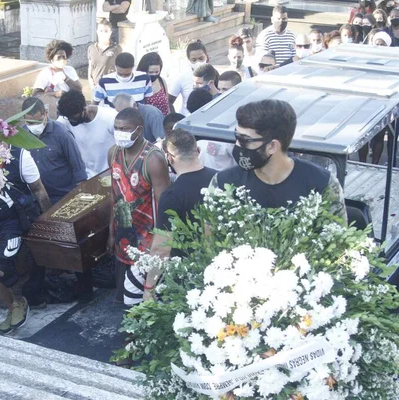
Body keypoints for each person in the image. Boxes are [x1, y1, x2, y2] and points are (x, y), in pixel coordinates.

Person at [209, 99, 347, 221]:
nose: (238, 145)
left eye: (245, 140)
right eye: (236, 137)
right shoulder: (223, 184)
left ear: (273, 146)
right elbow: (211, 242)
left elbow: (337, 241)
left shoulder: (322, 184)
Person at [136, 128, 216, 303]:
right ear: (198, 151)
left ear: (169, 158)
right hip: (221, 269)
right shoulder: (220, 179)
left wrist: (149, 287)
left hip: (188, 277)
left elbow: (161, 248)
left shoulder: (172, 195)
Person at [0, 145, 51, 335]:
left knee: (1, 262)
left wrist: (49, 219)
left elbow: (38, 189)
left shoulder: (20, 155)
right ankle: (11, 308)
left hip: (12, 221)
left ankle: (20, 301)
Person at [107, 107, 170, 302]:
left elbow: (164, 204)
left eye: (125, 129)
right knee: (123, 298)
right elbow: (114, 194)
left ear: (139, 130)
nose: (120, 132)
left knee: (145, 299)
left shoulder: (153, 159)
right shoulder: (113, 153)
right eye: (117, 128)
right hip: (122, 235)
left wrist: (160, 243)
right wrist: (110, 232)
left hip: (146, 240)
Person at [21, 97, 87, 204]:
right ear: (23, 118)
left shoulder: (62, 134)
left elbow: (78, 167)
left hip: (63, 196)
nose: (35, 126)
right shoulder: (20, 136)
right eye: (30, 123)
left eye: (38, 121)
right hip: (35, 199)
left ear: (46, 113)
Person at [57, 90, 117, 177]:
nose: (71, 121)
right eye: (68, 118)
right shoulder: (66, 118)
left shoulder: (109, 118)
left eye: (74, 117)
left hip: (110, 174)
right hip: (86, 176)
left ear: (85, 107)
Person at [168, 41, 209, 115]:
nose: (198, 62)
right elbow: (169, 101)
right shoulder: (181, 77)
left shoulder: (213, 74)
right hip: (188, 120)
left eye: (201, 58)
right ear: (188, 60)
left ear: (206, 56)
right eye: (194, 60)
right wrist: (174, 118)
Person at [88, 19, 123, 92]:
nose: (103, 33)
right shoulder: (91, 48)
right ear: (97, 32)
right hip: (96, 87)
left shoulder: (116, 48)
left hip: (111, 87)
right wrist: (91, 83)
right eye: (101, 31)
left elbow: (120, 68)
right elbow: (90, 68)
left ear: (110, 33)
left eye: (106, 31)